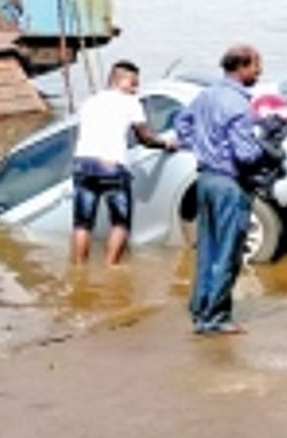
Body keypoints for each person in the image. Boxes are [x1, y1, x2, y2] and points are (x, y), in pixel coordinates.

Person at [173, 44, 275, 336]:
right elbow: (245, 155)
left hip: (205, 179)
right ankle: (215, 318)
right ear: (242, 67)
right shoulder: (239, 105)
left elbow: (182, 124)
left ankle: (200, 308)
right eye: (257, 66)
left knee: (207, 248)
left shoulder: (206, 95)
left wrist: (201, 147)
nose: (260, 71)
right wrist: (266, 149)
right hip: (230, 185)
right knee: (228, 252)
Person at [71, 60, 175, 265]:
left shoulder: (90, 101)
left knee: (82, 224)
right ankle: (111, 267)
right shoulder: (130, 103)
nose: (136, 88)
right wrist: (166, 143)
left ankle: (79, 268)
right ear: (119, 81)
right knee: (120, 223)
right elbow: (145, 138)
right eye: (133, 83)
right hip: (111, 168)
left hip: (82, 165)